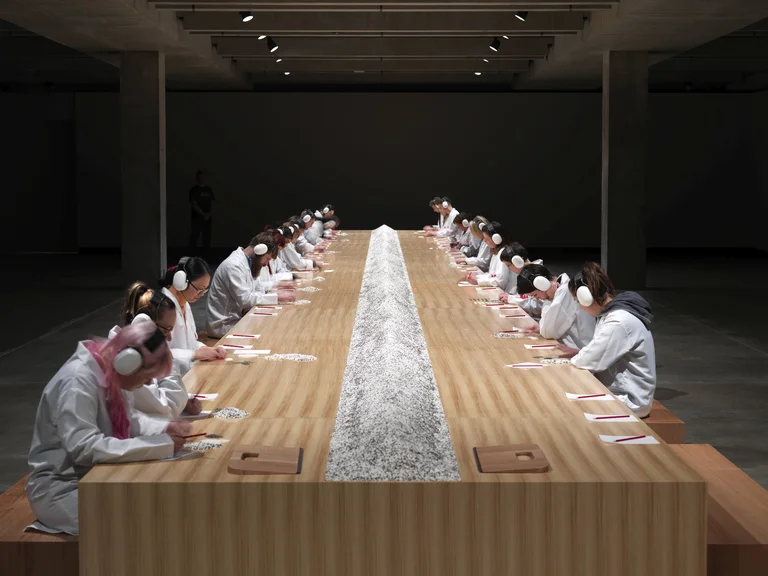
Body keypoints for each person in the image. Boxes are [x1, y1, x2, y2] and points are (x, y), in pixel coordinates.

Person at [26, 322, 191, 535]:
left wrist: (164, 428)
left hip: (95, 478)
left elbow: (129, 419)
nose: (148, 383)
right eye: (148, 377)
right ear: (128, 364)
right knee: (137, 527)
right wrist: (159, 445)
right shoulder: (77, 381)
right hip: (63, 487)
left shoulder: (109, 372)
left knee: (162, 506)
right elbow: (84, 447)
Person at [559, 262, 656, 417]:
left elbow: (588, 361)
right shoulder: (613, 314)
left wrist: (580, 355)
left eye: (577, 301)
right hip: (620, 392)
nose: (579, 306)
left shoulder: (619, 321)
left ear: (586, 297)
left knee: (562, 402)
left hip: (630, 399)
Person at [112, 282, 202, 417]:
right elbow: (168, 406)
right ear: (145, 324)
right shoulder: (129, 362)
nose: (170, 338)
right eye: (166, 330)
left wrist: (184, 401)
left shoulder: (136, 351)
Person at [205, 234, 294, 337]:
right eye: (267, 258)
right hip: (223, 324)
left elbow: (258, 287)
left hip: (238, 317)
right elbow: (245, 300)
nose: (266, 264)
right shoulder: (234, 266)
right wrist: (277, 297)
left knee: (275, 322)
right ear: (260, 251)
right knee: (271, 329)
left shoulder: (250, 262)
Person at [159, 257, 226, 374]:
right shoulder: (161, 308)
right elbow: (158, 355)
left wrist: (205, 349)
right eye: (199, 289)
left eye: (205, 290)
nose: (201, 295)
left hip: (186, 373)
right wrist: (195, 354)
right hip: (166, 379)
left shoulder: (185, 303)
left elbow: (190, 343)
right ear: (182, 282)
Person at [515, 263, 596, 349]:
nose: (537, 299)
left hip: (580, 351)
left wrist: (548, 300)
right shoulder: (562, 289)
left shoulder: (565, 292)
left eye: (535, 295)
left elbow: (547, 332)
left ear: (542, 284)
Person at [467, 221, 508, 288]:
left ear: (497, 239)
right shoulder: (496, 251)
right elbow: (491, 275)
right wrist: (477, 277)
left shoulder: (503, 254)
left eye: (487, 239)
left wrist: (478, 281)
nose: (485, 241)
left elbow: (500, 282)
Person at [188, 170, 215, 254]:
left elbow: (212, 203)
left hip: (207, 219)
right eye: (200, 177)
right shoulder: (194, 190)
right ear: (197, 178)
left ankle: (206, 257)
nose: (202, 179)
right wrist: (203, 214)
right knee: (195, 237)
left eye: (203, 177)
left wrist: (209, 214)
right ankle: (192, 256)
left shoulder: (209, 189)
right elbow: (194, 204)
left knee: (207, 238)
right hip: (197, 218)